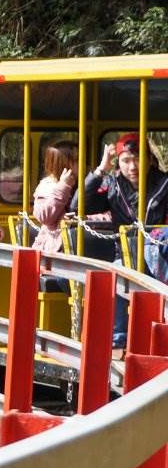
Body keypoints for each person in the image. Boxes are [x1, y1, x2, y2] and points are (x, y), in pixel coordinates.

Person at [80, 132, 168, 346]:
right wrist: (100, 170)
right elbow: (79, 205)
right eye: (126, 160)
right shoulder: (112, 185)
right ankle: (118, 340)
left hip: (161, 255)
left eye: (138, 159)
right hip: (127, 256)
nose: (133, 166)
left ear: (149, 159)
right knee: (117, 271)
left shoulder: (164, 184)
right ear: (118, 162)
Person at [30, 141, 78, 258]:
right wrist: (63, 187)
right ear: (64, 165)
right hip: (55, 248)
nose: (81, 164)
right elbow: (44, 216)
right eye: (76, 160)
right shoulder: (48, 186)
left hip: (78, 243)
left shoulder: (81, 183)